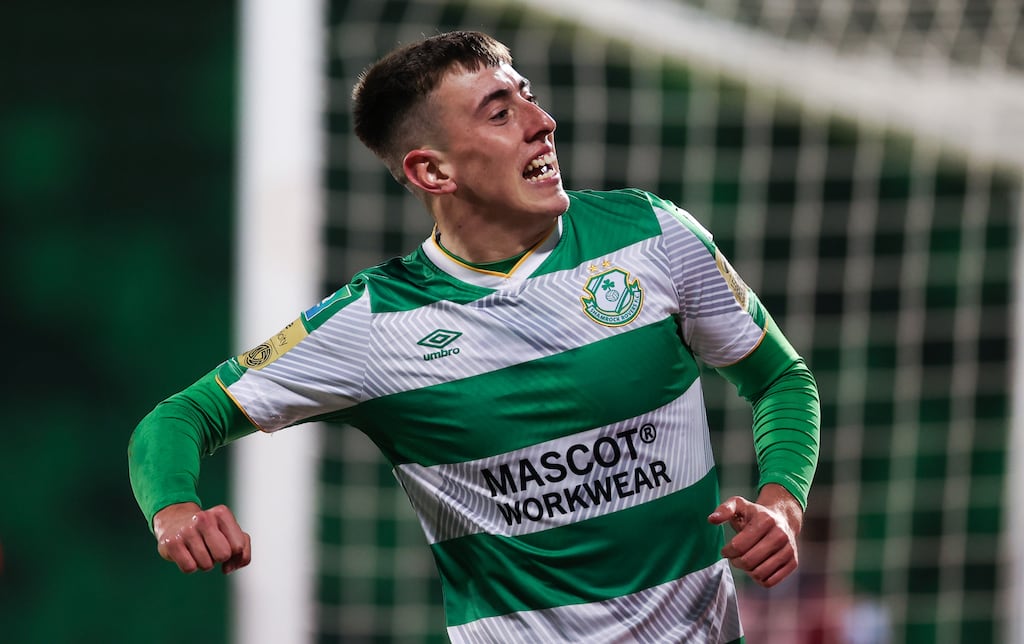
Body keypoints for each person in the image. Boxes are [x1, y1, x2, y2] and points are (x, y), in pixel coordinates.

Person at [128, 30, 820, 643]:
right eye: (501, 112)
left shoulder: (654, 236)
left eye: (528, 96)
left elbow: (781, 380)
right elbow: (179, 418)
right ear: (433, 171)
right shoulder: (375, 323)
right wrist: (175, 507)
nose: (542, 123)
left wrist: (784, 498)